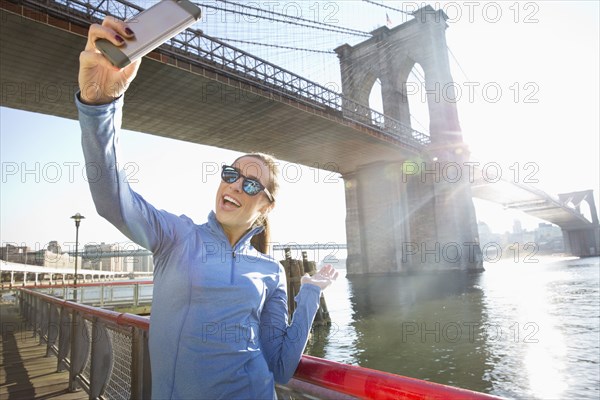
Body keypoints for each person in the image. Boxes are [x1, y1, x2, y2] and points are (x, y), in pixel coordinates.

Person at [76, 16, 338, 400]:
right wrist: (99, 106)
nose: (234, 184)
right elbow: (112, 199)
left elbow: (280, 366)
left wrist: (311, 292)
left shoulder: (271, 271)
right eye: (231, 173)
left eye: (250, 183)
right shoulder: (176, 236)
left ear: (266, 207)